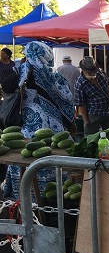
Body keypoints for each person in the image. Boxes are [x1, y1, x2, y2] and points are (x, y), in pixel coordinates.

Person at [3, 41, 74, 199]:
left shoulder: (22, 70)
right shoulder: (52, 74)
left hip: (28, 124)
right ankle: (52, 195)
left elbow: (7, 87)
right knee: (51, 152)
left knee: (25, 155)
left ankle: (23, 194)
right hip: (53, 126)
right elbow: (68, 98)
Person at [74, 56, 109, 135]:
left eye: (93, 71)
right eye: (90, 72)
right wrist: (86, 122)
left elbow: (108, 84)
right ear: (83, 70)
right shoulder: (80, 83)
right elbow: (81, 105)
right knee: (92, 138)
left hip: (107, 111)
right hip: (94, 114)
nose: (93, 74)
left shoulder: (100, 73)